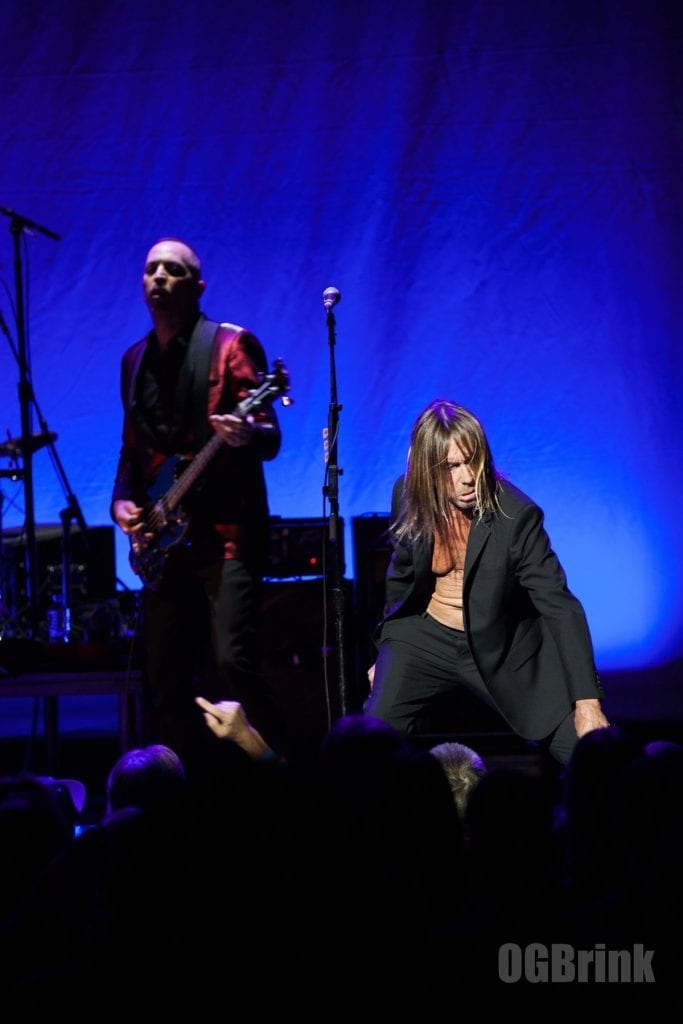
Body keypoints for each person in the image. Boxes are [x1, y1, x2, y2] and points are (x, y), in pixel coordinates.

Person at [111, 237, 286, 764]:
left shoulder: (231, 346)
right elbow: (132, 448)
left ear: (198, 286)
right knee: (163, 674)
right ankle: (176, 799)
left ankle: (269, 777)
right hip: (165, 540)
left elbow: (269, 436)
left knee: (232, 662)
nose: (160, 276)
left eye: (174, 270)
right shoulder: (134, 360)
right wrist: (123, 503)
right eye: (151, 269)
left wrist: (244, 434)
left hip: (226, 535)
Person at [364, 398, 609, 765]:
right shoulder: (407, 495)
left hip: (498, 641)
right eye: (451, 467)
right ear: (427, 471)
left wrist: (588, 702)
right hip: (422, 636)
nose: (467, 477)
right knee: (371, 747)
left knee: (586, 751)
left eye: (472, 461)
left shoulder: (516, 516)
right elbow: (400, 577)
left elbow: (559, 605)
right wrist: (383, 649)